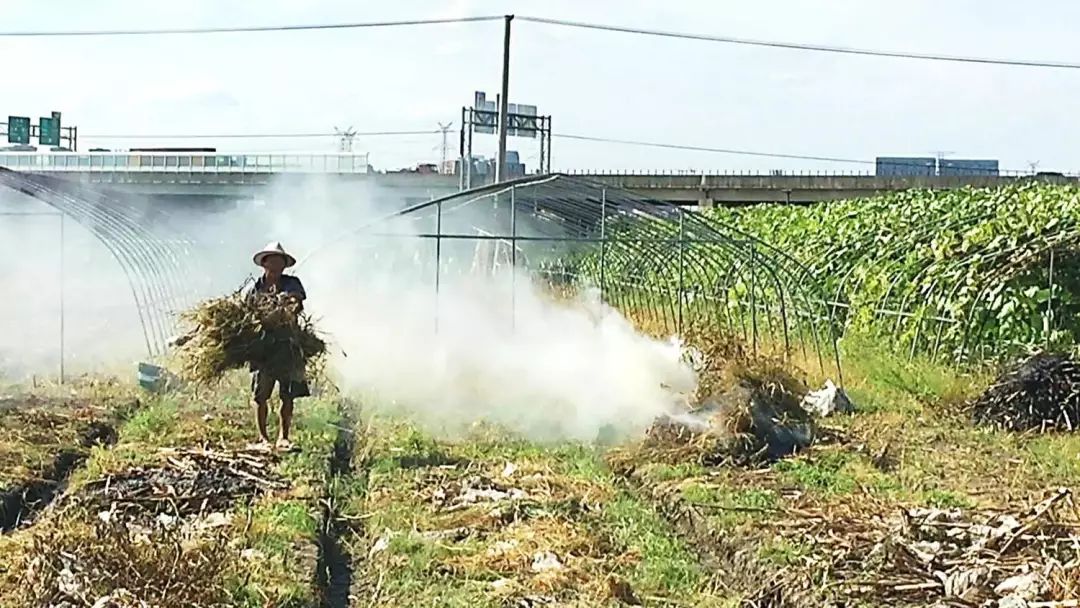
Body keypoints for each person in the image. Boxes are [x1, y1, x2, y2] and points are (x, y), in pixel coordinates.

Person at [240, 241, 308, 452]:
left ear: (284, 265)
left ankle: (283, 437)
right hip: (262, 349)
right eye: (272, 260)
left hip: (286, 346)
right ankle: (262, 438)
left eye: (280, 261)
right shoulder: (254, 288)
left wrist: (285, 301)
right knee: (261, 396)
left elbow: (296, 301)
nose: (276, 264)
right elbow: (244, 312)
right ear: (265, 263)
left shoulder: (291, 284)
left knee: (287, 395)